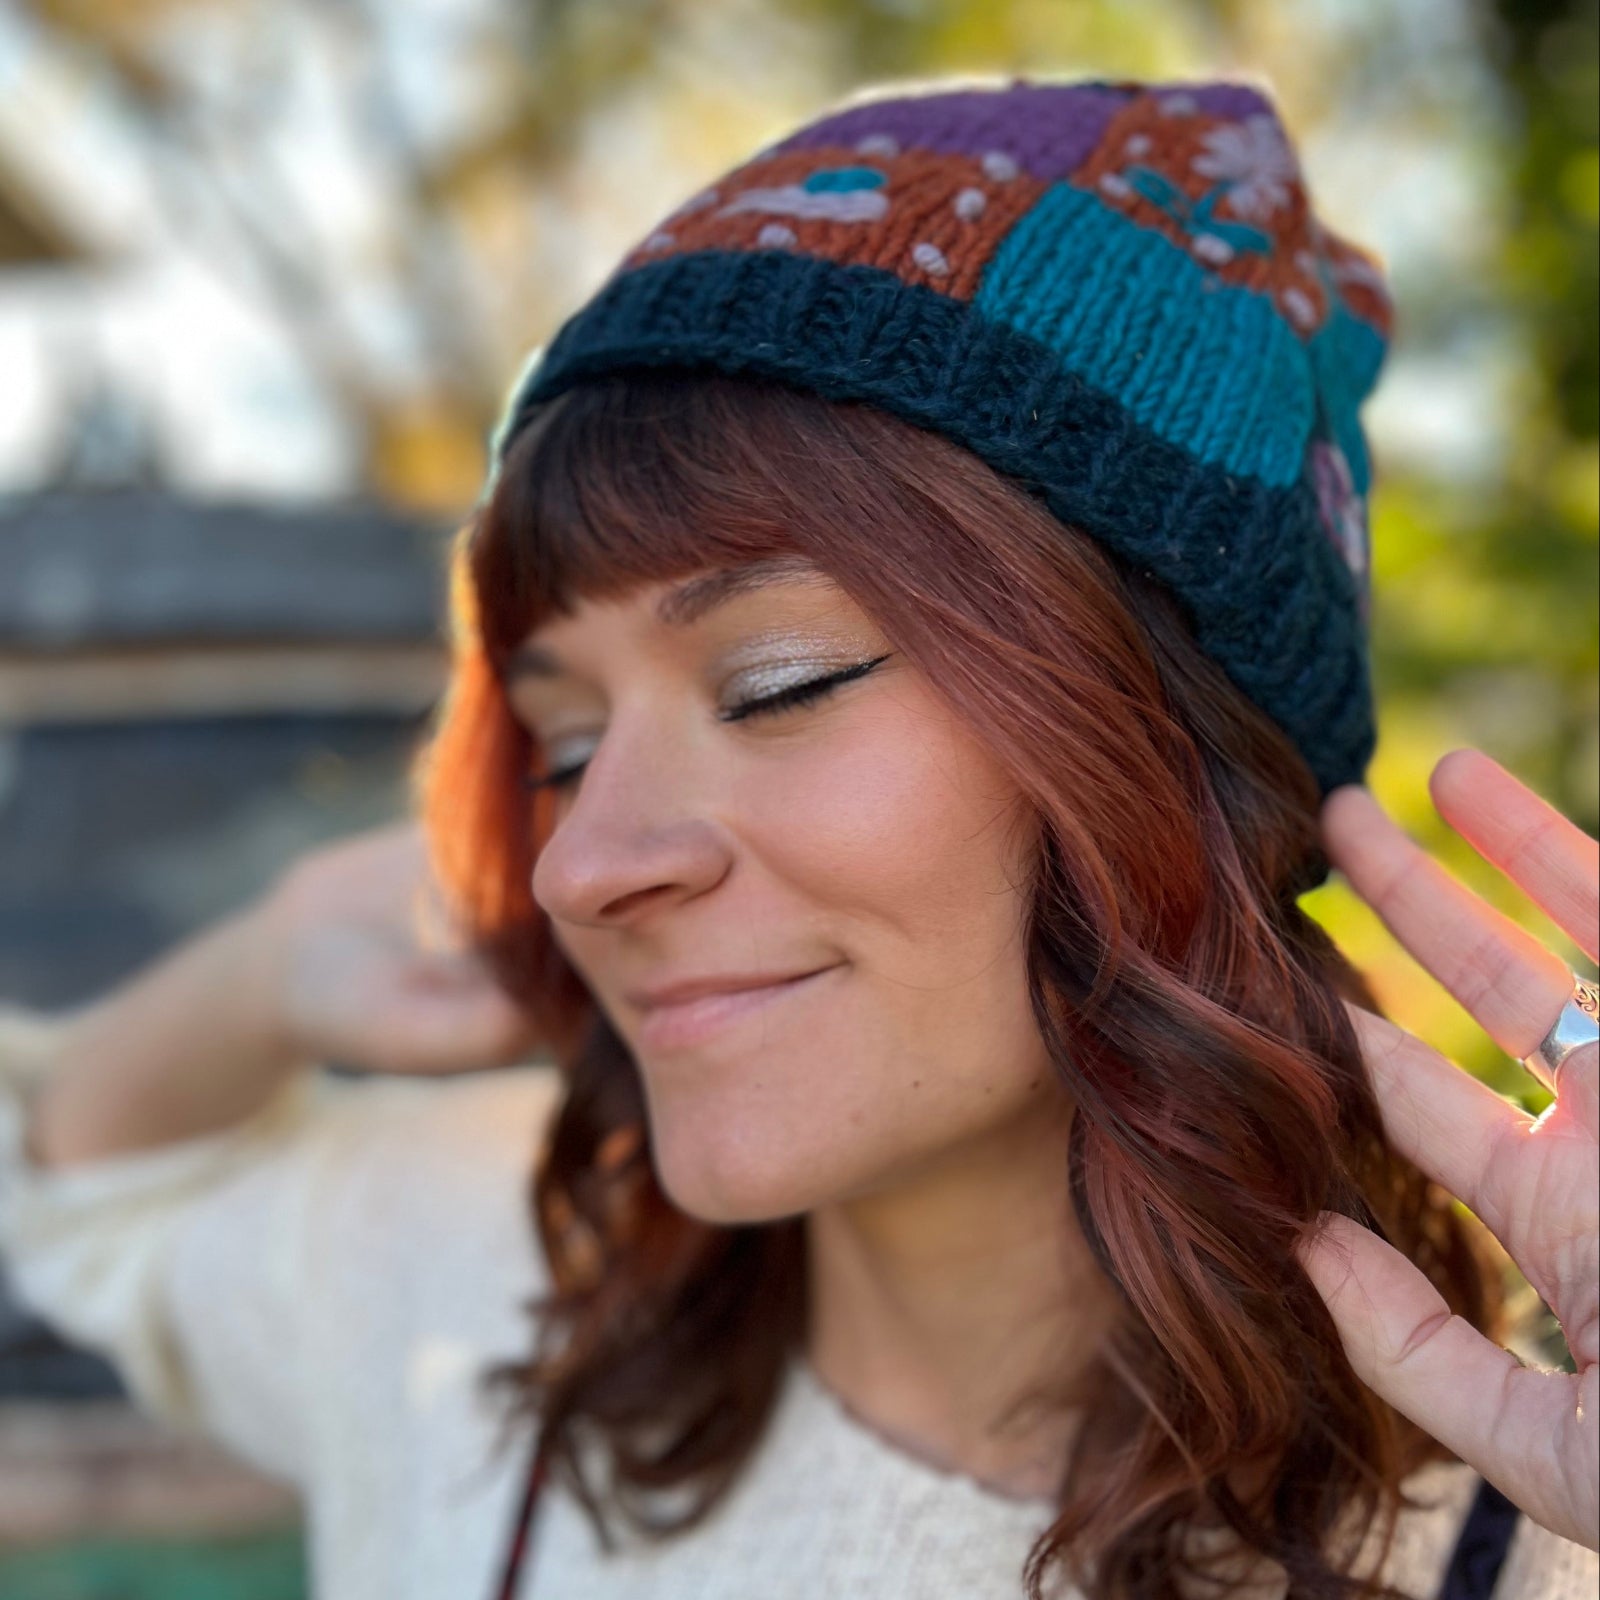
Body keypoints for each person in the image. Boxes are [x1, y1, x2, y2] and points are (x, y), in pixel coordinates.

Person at [0, 72, 1596, 1600]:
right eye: (561, 742)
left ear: (1168, 742)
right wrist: (270, 965)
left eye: (777, 682)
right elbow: (77, 1197)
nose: (577, 863)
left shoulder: (1530, 1539)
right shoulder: (469, 1305)